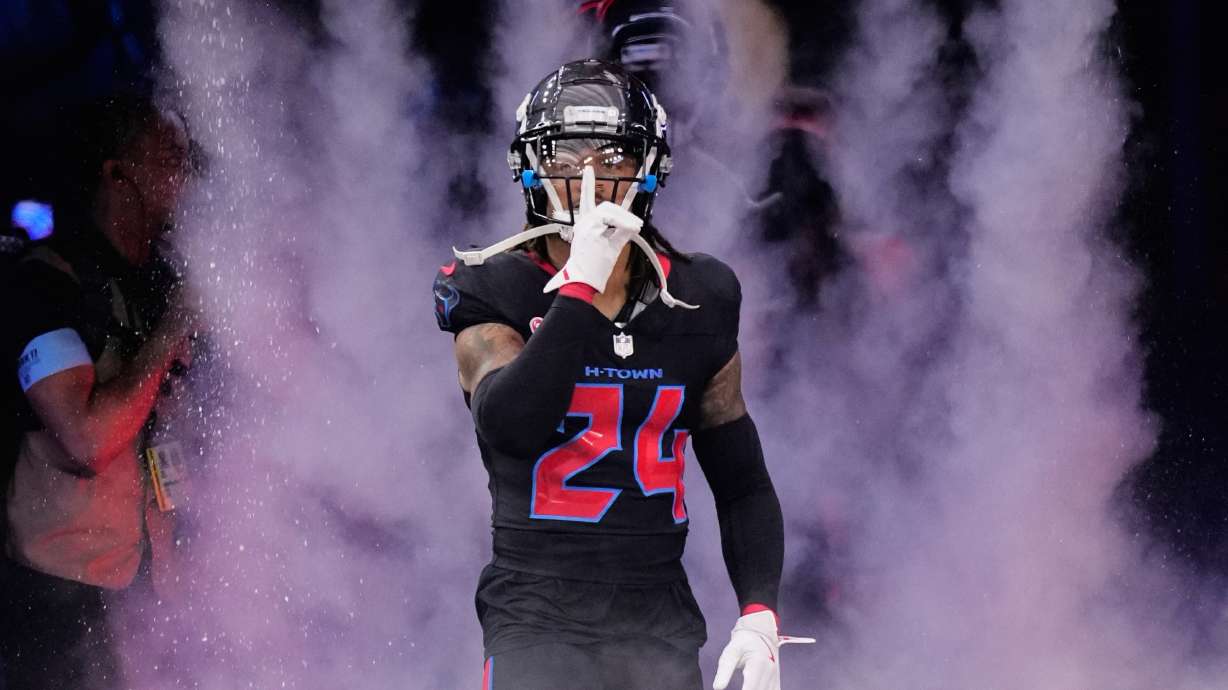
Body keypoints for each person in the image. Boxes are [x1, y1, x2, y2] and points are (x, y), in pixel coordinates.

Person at [434, 59, 812, 690]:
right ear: (529, 166)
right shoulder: (490, 285)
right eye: (566, 156)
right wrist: (580, 286)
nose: (587, 179)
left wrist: (759, 614)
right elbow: (509, 426)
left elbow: (741, 481)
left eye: (611, 158)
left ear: (649, 169)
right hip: (537, 619)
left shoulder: (700, 294)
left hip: (658, 623)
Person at [0, 93, 196, 690]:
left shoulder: (157, 282)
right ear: (117, 173)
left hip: (150, 591)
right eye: (169, 154)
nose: (186, 173)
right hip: (59, 607)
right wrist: (174, 329)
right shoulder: (44, 280)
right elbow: (88, 441)